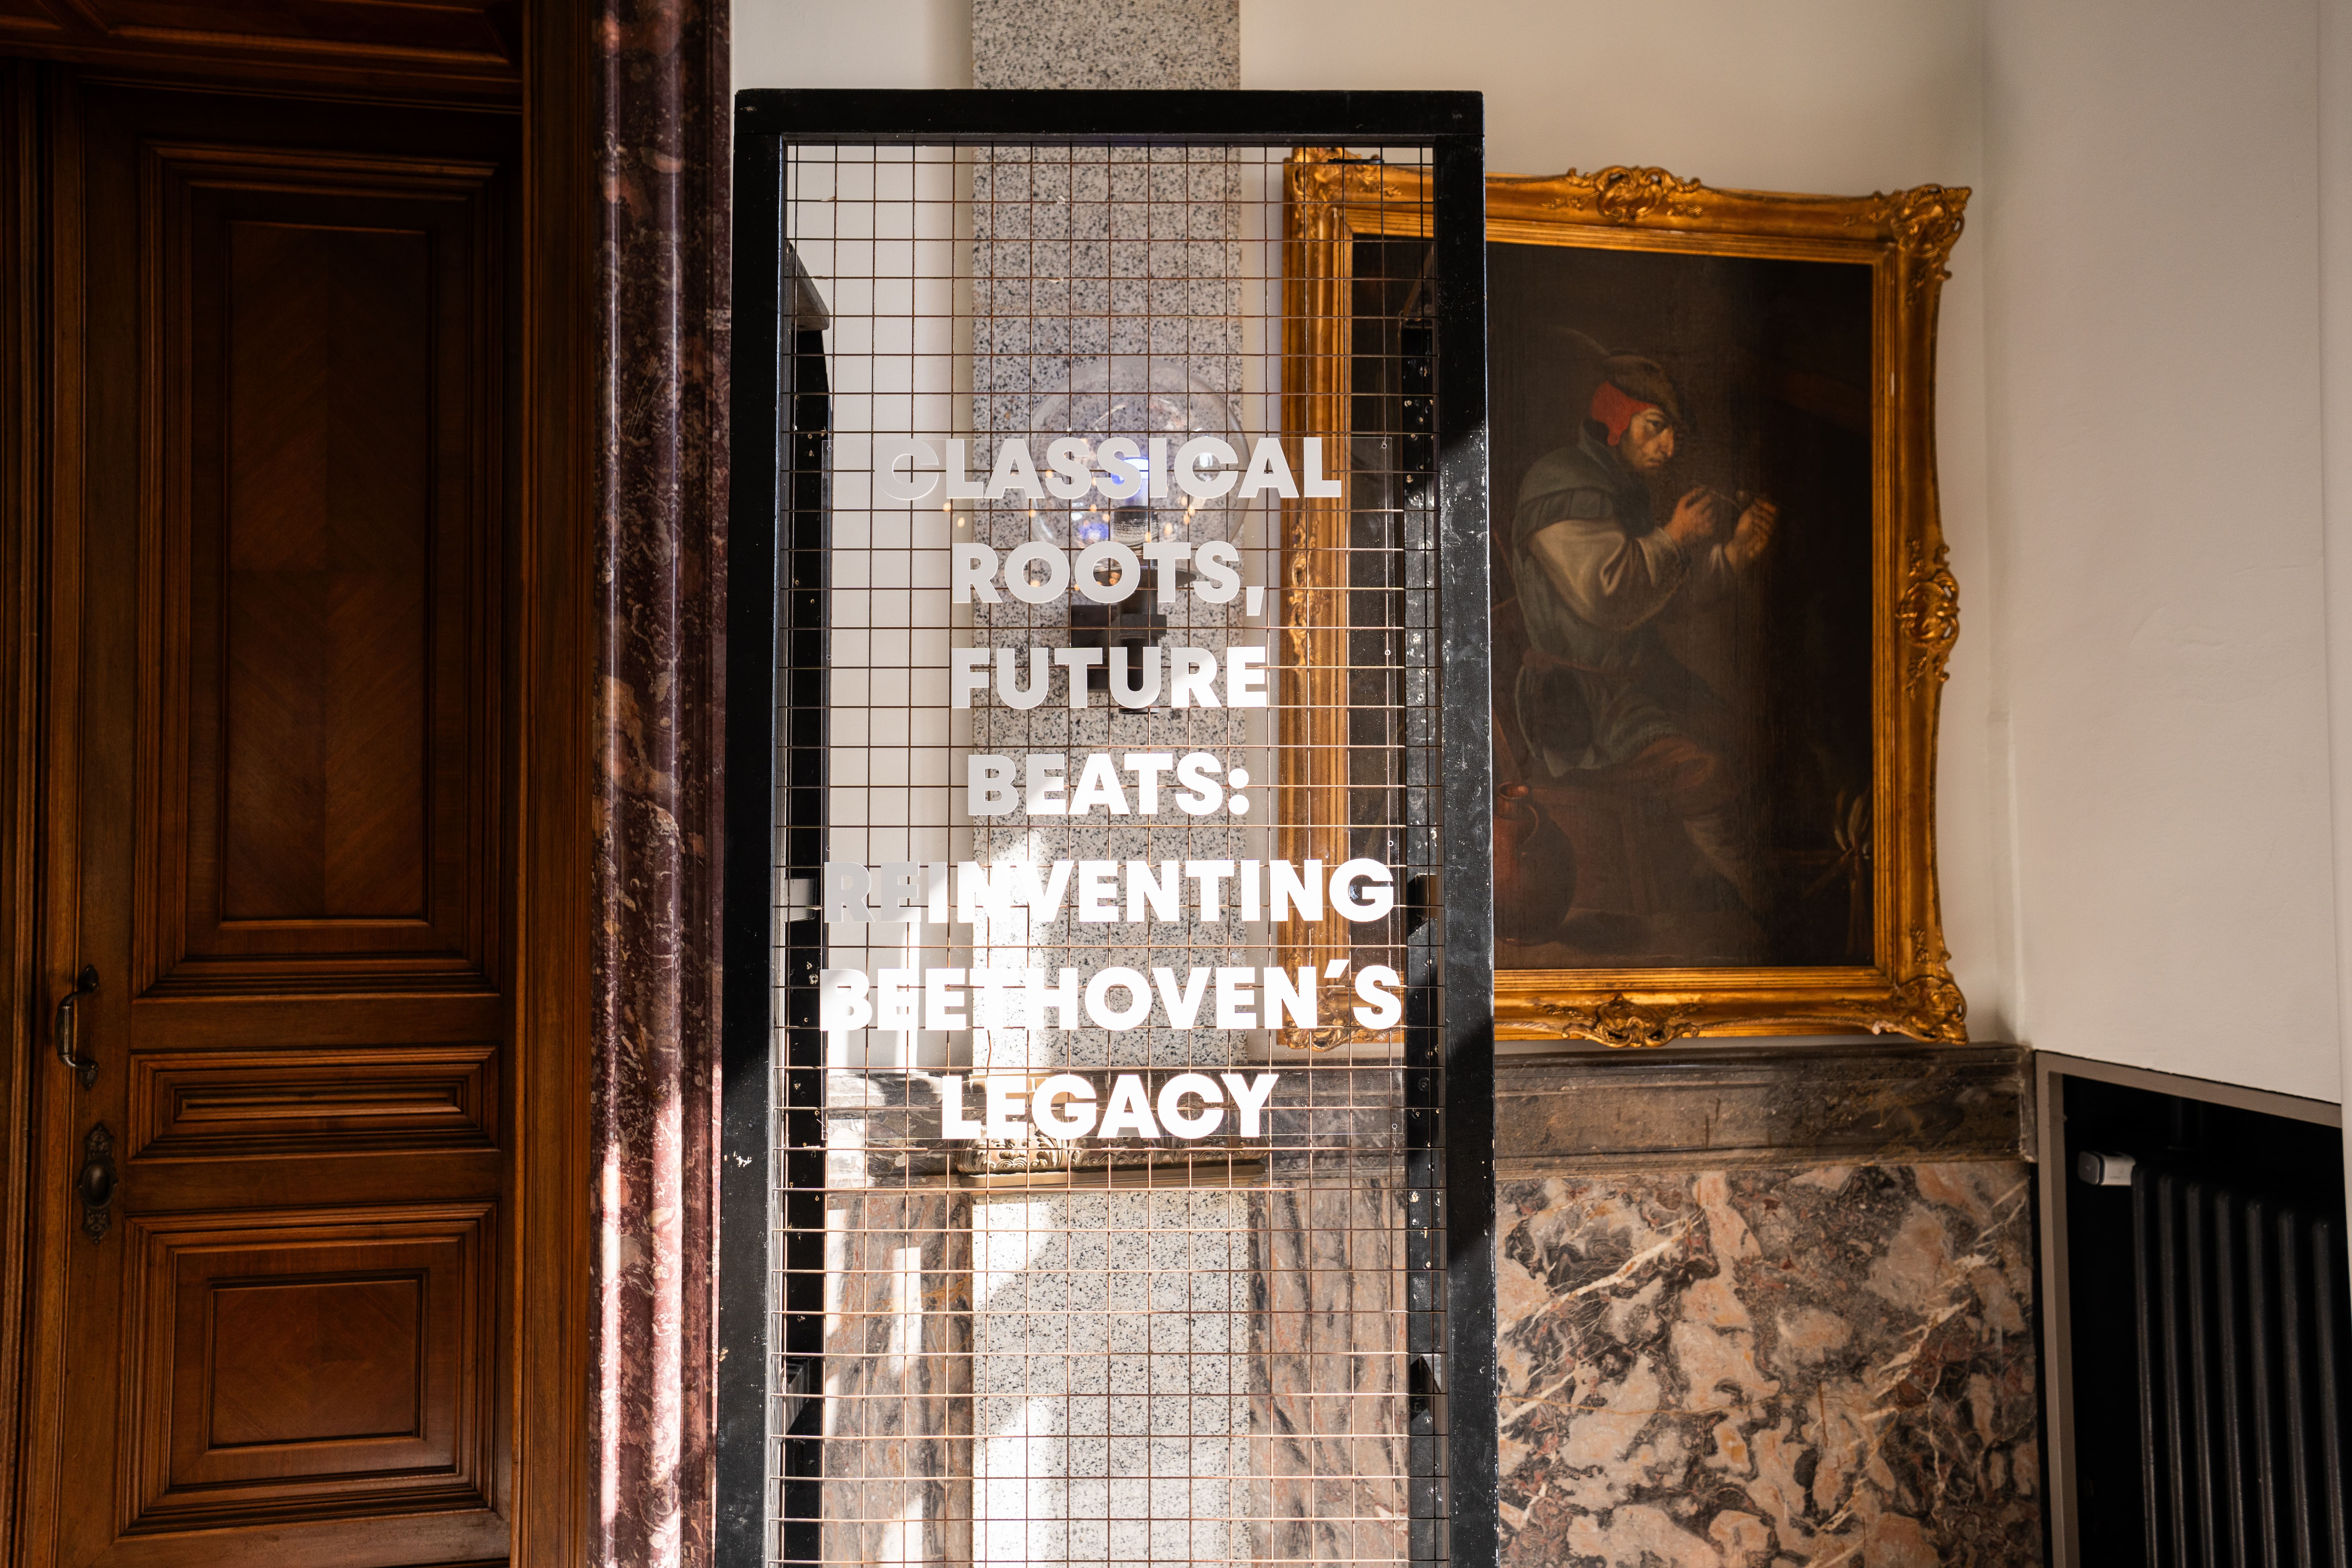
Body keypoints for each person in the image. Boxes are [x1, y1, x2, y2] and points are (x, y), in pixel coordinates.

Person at [1511, 352, 1779, 914]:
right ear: (1615, 417)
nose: (1669, 448)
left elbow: (1656, 606)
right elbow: (1610, 597)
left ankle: (1711, 885)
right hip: (1584, 704)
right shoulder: (1561, 485)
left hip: (1633, 685)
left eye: (1674, 434)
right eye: (1656, 428)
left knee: (1742, 734)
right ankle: (1762, 900)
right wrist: (1675, 536)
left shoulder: (1621, 489)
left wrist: (1733, 555)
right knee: (1706, 770)